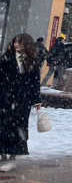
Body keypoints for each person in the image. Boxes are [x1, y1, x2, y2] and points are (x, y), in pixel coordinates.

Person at [0, 34, 42, 172]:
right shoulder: (6, 59)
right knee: (3, 127)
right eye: (15, 42)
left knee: (18, 128)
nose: (16, 44)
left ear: (26, 44)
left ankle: (12, 157)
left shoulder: (32, 62)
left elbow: (35, 83)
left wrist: (36, 100)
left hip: (22, 101)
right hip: (5, 99)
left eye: (19, 42)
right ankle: (3, 156)